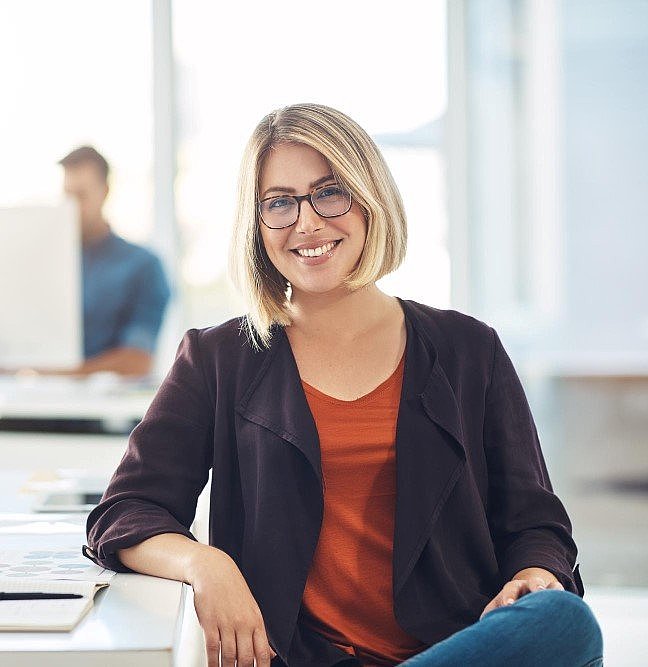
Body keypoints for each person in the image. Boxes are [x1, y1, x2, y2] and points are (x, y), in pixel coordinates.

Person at [83, 104, 603, 666]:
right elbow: (126, 511)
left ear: (369, 200)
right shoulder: (217, 358)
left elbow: (535, 521)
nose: (306, 223)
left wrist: (534, 573)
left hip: (456, 647)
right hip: (302, 658)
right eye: (278, 203)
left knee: (565, 621)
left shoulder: (469, 349)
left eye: (329, 192)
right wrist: (207, 564)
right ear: (257, 226)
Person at [58, 145, 170, 376]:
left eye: (81, 195)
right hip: (29, 402)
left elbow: (137, 361)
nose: (72, 207)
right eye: (67, 196)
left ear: (105, 191)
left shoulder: (143, 265)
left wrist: (57, 374)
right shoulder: (47, 266)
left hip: (105, 409)